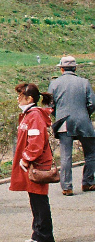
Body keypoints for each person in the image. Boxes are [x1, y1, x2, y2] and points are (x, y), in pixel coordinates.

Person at [10, 82, 56, 242]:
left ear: (29, 98)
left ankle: (44, 235)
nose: (18, 99)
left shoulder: (35, 116)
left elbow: (36, 142)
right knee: (34, 199)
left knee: (39, 199)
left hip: (37, 165)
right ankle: (38, 232)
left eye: (20, 96)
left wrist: (26, 158)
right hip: (31, 165)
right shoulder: (28, 115)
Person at [49, 55, 95, 195]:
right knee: (91, 152)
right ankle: (88, 182)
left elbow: (50, 105)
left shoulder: (54, 84)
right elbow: (92, 103)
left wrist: (58, 114)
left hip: (64, 122)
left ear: (61, 69)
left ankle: (67, 187)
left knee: (66, 155)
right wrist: (84, 114)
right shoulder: (84, 82)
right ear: (75, 68)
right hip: (83, 121)